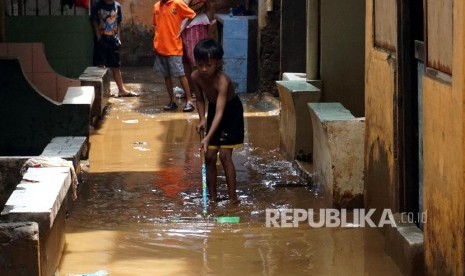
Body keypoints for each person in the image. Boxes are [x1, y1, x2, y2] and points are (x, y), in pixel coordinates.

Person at [191, 39, 244, 203]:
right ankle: (213, 198)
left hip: (230, 112)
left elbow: (220, 113)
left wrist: (207, 136)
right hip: (215, 109)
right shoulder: (195, 76)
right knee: (210, 156)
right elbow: (200, 100)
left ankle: (233, 199)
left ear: (218, 63)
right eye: (200, 65)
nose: (204, 69)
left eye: (209, 65)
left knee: (225, 156)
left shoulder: (223, 81)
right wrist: (201, 119)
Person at [152, 0, 196, 112]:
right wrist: (155, 42)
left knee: (181, 74)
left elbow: (192, 15)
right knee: (166, 75)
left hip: (174, 47)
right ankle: (172, 101)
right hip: (160, 47)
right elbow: (156, 26)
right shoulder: (156, 6)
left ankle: (189, 100)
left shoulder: (177, 3)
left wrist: (182, 28)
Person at [90, 0, 139, 97]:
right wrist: (98, 35)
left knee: (115, 66)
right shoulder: (97, 5)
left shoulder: (117, 6)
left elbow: (118, 23)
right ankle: (101, 92)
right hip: (102, 39)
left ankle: (121, 90)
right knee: (100, 66)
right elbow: (94, 20)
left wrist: (118, 38)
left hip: (113, 39)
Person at [180, 0, 215, 99]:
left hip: (195, 25)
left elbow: (207, 5)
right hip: (183, 26)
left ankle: (197, 90)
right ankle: (189, 90)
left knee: (195, 60)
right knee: (186, 60)